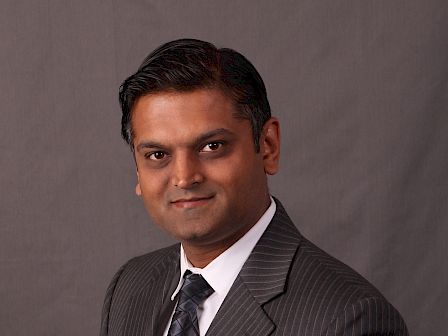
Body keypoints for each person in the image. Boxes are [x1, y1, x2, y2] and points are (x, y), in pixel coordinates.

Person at [100, 38, 408, 336]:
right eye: (157, 155)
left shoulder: (350, 320)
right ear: (138, 172)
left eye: (211, 146)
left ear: (269, 146)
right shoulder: (129, 288)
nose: (184, 177)